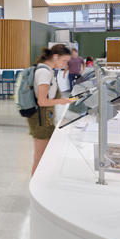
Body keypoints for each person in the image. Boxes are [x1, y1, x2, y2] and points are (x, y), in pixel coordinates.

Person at [29, 44, 73, 176]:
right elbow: (42, 101)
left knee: (46, 155)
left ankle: (42, 182)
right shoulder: (44, 72)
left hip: (47, 117)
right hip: (40, 118)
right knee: (39, 157)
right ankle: (35, 187)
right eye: (64, 61)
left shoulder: (49, 71)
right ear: (55, 57)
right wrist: (62, 101)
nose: (65, 64)